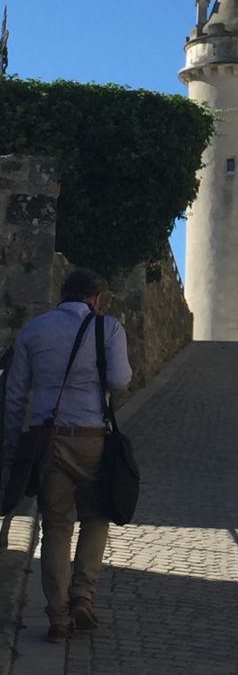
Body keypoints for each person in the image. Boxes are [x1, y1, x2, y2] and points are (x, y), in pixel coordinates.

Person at [1, 268, 132, 644]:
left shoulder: (33, 330)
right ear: (98, 298)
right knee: (98, 515)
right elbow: (121, 381)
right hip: (91, 437)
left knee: (56, 526)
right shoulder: (108, 329)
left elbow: (14, 396)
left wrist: (12, 446)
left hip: (47, 439)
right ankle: (82, 595)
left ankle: (58, 618)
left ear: (63, 293)